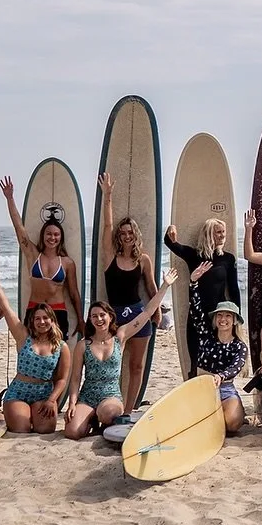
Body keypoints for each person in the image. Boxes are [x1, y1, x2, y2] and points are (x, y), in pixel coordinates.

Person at [65, 270, 178, 439]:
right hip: (87, 396)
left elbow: (147, 312)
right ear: (90, 320)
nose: (99, 319)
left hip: (110, 395)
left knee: (109, 414)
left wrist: (165, 286)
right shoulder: (83, 345)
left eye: (102, 315)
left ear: (110, 317)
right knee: (72, 432)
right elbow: (75, 378)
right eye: (94, 316)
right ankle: (91, 419)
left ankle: (101, 418)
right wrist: (72, 403)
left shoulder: (120, 336)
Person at [96, 173, 162, 409]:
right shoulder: (110, 257)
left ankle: (129, 409)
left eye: (130, 232)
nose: (126, 236)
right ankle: (109, 404)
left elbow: (151, 286)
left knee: (137, 366)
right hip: (113, 317)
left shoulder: (143, 259)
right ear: (118, 236)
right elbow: (107, 225)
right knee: (110, 365)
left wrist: (157, 311)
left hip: (138, 315)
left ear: (135, 235)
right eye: (123, 233)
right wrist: (108, 196)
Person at [0, 268, 69, 434]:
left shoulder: (61, 346)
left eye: (45, 318)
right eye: (37, 319)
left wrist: (52, 401)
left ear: (52, 320)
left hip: (44, 394)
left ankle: (35, 413)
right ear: (32, 321)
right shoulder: (23, 337)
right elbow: (7, 308)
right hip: (19, 391)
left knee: (45, 429)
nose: (41, 322)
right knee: (22, 429)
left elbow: (62, 379)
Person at [0, 176, 84, 339]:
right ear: (43, 236)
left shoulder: (67, 263)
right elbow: (19, 228)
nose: (52, 238)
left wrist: (80, 320)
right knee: (32, 351)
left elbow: (74, 293)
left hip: (58, 311)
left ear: (61, 237)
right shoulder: (33, 255)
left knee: (58, 352)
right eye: (49, 234)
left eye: (56, 235)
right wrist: (10, 198)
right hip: (34, 310)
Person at [165, 217, 240, 378]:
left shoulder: (228, 259)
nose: (222, 235)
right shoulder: (194, 255)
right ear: (208, 234)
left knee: (217, 359)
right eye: (218, 232)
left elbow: (234, 289)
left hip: (218, 316)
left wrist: (236, 316)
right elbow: (170, 243)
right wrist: (171, 229)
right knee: (195, 358)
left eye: (223, 232)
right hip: (197, 314)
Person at [196, 301, 249, 435]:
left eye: (228, 316)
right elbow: (196, 311)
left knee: (232, 423)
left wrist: (221, 375)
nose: (223, 319)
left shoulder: (239, 346)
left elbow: (236, 366)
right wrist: (193, 287)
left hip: (225, 388)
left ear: (235, 320)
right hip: (202, 386)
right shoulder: (206, 338)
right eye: (219, 315)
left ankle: (236, 412)